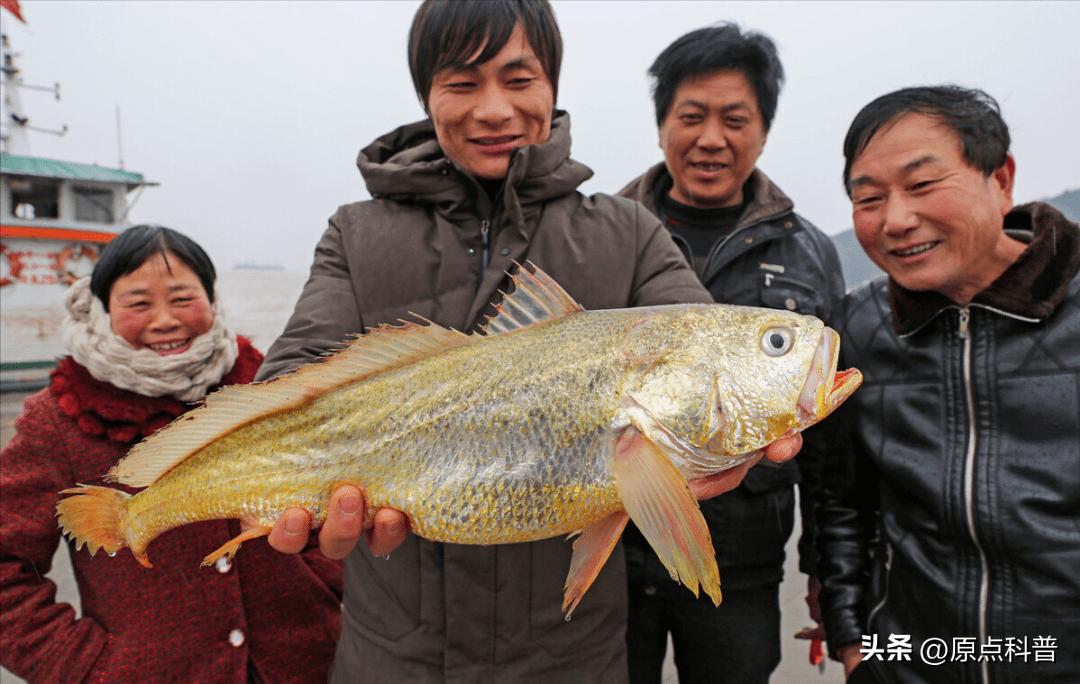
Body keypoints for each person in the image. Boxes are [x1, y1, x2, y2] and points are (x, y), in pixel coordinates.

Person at [257, 2, 802, 681]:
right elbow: (293, 378)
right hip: (393, 655)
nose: (494, 110)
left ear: (553, 86)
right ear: (427, 94)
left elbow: (700, 353)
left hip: (572, 656)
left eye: (519, 80)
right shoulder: (356, 233)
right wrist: (286, 484)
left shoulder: (628, 234)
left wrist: (732, 429)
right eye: (461, 83)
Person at [816, 85, 1080, 683]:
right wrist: (852, 636)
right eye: (869, 197)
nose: (896, 219)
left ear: (1002, 177)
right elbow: (841, 499)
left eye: (923, 184)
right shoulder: (856, 328)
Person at [0, 225, 343, 683]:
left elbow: (335, 492)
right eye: (138, 303)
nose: (165, 320)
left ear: (213, 298)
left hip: (311, 665)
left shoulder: (270, 387)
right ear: (103, 308)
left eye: (183, 298)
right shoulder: (60, 418)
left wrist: (328, 582)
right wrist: (86, 668)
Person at [617, 24, 844, 683]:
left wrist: (826, 574)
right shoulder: (605, 232)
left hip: (741, 563)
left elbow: (828, 441)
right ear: (663, 126)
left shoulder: (807, 252)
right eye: (692, 116)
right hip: (614, 552)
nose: (711, 138)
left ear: (763, 131)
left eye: (734, 118)